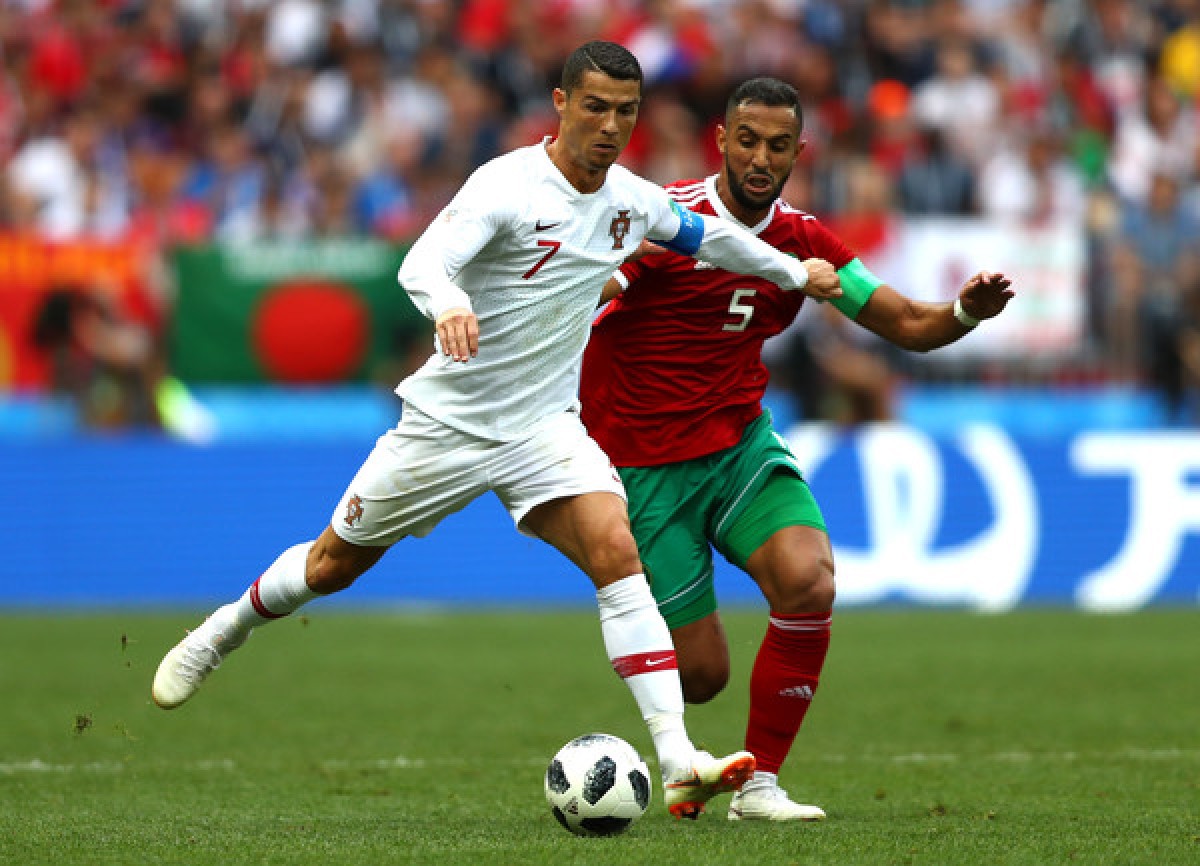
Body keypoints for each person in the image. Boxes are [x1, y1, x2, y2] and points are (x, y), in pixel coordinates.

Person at [150, 43, 844, 820]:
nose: (609, 126)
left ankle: (679, 760)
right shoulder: (507, 185)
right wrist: (449, 303)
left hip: (546, 429)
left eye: (625, 112)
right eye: (595, 107)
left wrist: (793, 272)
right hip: (448, 426)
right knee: (330, 565)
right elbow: (422, 263)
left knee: (616, 552)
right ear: (561, 103)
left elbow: (708, 238)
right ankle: (223, 630)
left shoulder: (632, 200)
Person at [579, 76, 1014, 822]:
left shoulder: (805, 242)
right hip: (645, 467)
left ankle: (759, 787)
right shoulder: (665, 223)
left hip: (738, 447)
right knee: (702, 676)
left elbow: (908, 324)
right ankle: (665, 715)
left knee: (809, 582)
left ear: (798, 151)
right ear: (722, 139)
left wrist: (965, 312)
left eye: (778, 146)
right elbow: (578, 297)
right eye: (748, 140)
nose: (760, 158)